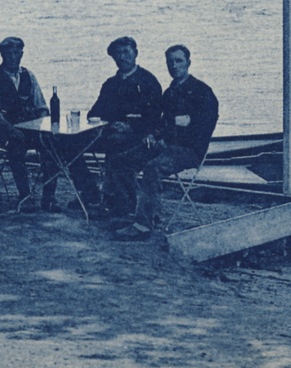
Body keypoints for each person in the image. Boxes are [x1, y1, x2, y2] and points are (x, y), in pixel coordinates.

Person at [108, 45, 219, 240]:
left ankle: (143, 226)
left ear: (188, 63)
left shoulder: (202, 92)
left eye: (179, 61)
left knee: (152, 168)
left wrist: (170, 139)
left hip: (189, 151)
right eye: (170, 62)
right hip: (165, 146)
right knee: (121, 161)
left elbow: (202, 130)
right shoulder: (169, 93)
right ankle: (129, 213)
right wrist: (153, 135)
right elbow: (162, 124)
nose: (174, 66)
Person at [83, 36, 163, 215]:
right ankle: (90, 191)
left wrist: (131, 127)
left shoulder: (148, 82)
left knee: (117, 146)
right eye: (117, 54)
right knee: (70, 145)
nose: (122, 57)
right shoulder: (111, 84)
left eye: (126, 52)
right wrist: (111, 123)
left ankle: (118, 202)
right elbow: (94, 113)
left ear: (136, 53)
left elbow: (156, 119)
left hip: (139, 137)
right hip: (112, 133)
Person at [0, 37, 52, 212]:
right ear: (2, 55)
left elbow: (41, 106)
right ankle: (25, 196)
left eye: (16, 53)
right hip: (6, 130)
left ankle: (49, 198)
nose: (12, 57)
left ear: (22, 54)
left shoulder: (28, 75)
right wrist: (12, 130)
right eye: (8, 53)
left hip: (32, 128)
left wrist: (43, 127)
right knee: (16, 148)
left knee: (53, 146)